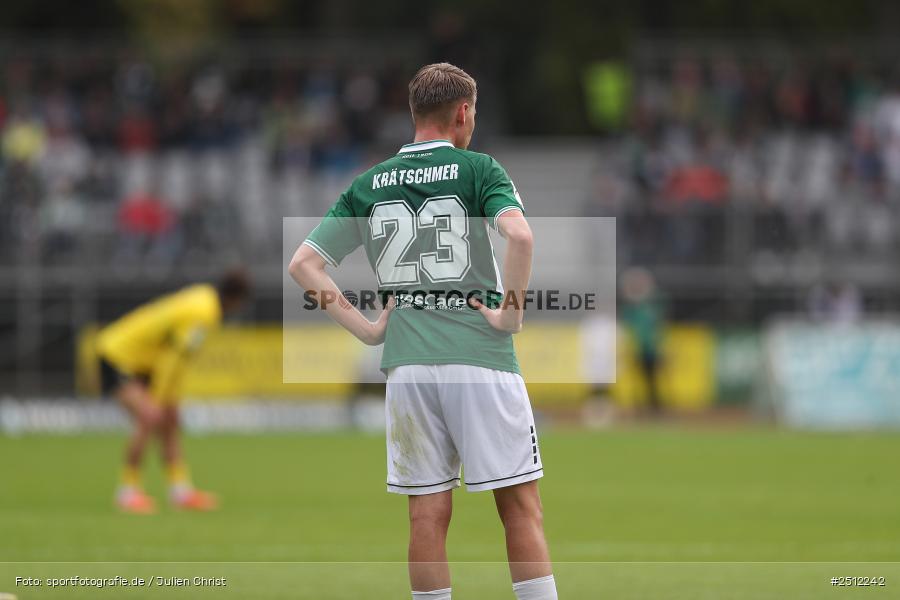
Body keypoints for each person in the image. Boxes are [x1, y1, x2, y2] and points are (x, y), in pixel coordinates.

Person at [289, 63, 557, 600]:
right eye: (473, 112)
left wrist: (368, 332)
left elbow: (303, 266)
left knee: (427, 517)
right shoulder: (478, 168)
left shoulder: (368, 184)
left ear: (414, 114)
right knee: (519, 507)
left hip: (408, 366)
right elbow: (521, 238)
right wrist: (510, 314)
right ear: (462, 112)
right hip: (479, 358)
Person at [96, 269, 251, 514]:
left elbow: (171, 354)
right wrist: (159, 398)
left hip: (144, 361)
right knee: (149, 417)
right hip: (117, 355)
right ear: (237, 300)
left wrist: (170, 400)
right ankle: (127, 491)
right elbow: (174, 359)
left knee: (169, 420)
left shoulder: (203, 295)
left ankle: (180, 491)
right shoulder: (205, 313)